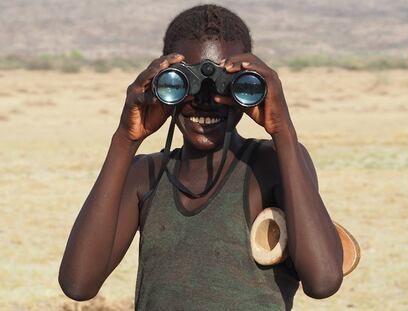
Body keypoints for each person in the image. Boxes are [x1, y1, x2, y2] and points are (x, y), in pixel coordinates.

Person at [59, 4, 343, 310]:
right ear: (163, 82)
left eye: (227, 85)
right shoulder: (146, 174)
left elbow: (323, 280)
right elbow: (78, 284)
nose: (207, 102)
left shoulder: (271, 163)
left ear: (251, 86)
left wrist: (283, 131)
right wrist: (125, 140)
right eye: (186, 84)